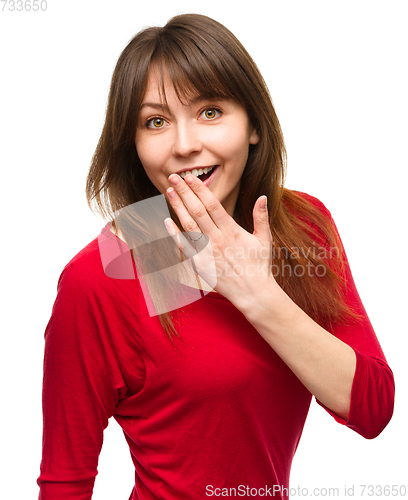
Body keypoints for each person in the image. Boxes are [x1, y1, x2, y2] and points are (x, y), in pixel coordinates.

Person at [37, 13, 395, 500]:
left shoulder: (305, 225)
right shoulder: (98, 277)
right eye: (156, 121)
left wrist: (257, 293)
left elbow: (372, 409)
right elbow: (65, 481)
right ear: (134, 144)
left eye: (210, 111)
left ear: (252, 124)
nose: (185, 145)